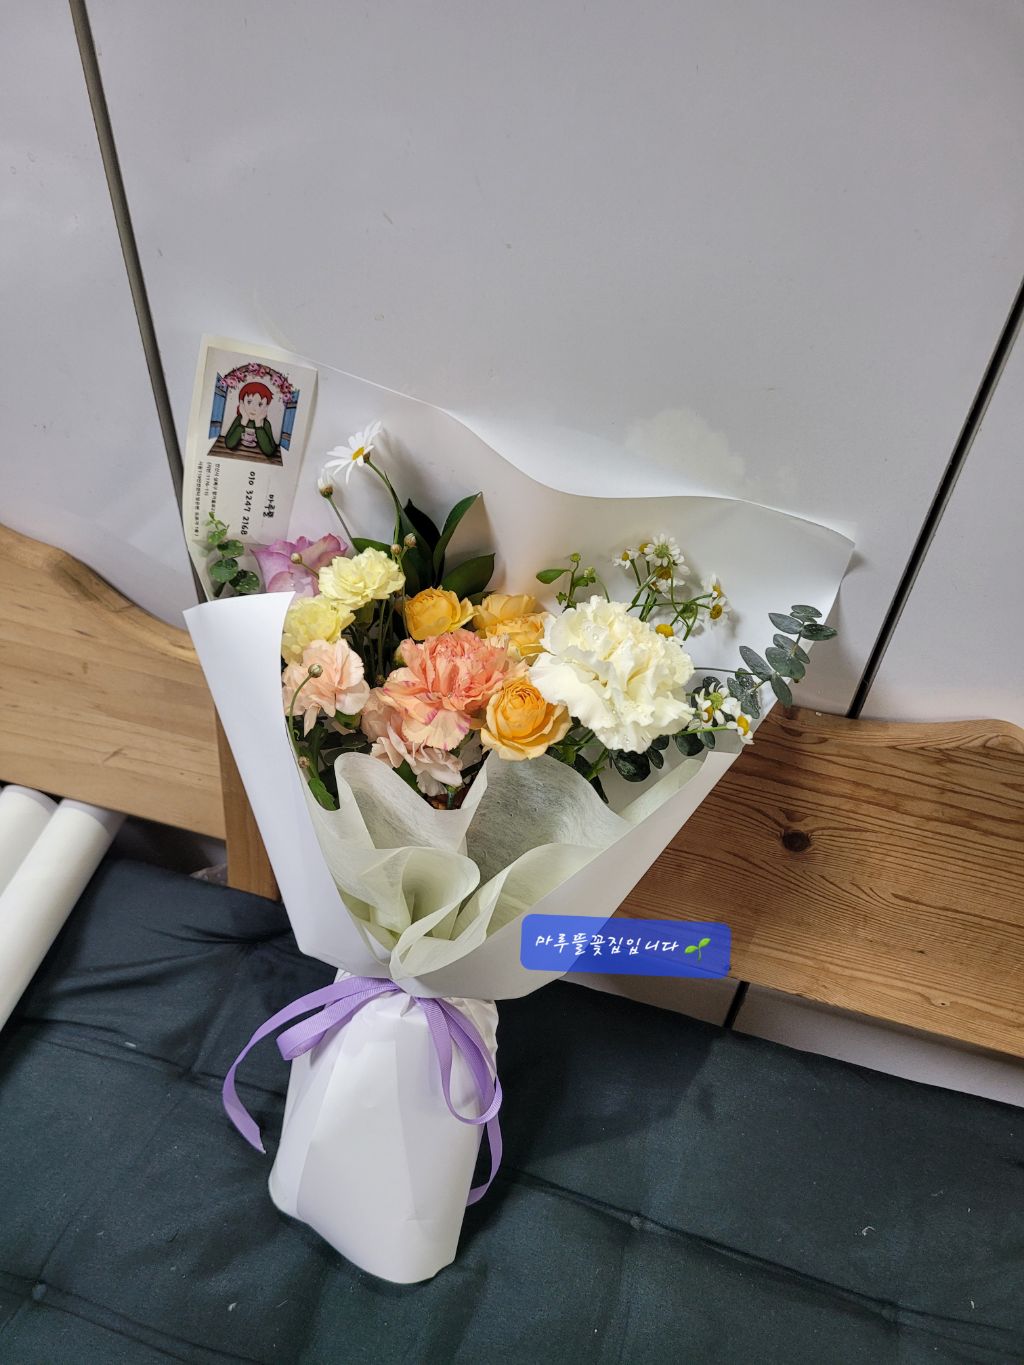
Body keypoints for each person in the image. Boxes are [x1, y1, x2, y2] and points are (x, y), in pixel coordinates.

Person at [223, 381, 279, 458]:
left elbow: (269, 451)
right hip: (238, 455)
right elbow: (229, 444)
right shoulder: (239, 419)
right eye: (249, 402)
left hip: (257, 457)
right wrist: (244, 421)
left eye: (260, 404)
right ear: (242, 403)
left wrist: (258, 423)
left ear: (266, 407)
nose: (253, 408)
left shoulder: (265, 423)